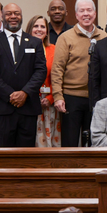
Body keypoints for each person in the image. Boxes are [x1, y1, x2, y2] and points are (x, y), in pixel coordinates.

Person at [0, 2, 46, 147]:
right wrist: (10, 95)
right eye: (9, 13)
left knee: (26, 156)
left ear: (21, 16)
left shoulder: (35, 43)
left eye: (16, 13)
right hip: (2, 108)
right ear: (2, 17)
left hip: (28, 107)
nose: (13, 16)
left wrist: (25, 93)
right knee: (3, 157)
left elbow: (41, 70)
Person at [51, 0, 107, 146]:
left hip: (97, 98)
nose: (86, 14)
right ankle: (70, 169)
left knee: (94, 141)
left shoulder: (104, 37)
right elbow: (57, 69)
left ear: (95, 13)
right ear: (76, 15)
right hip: (71, 97)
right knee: (70, 142)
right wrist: (58, 96)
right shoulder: (65, 38)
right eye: (82, 11)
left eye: (89, 10)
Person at [27, 14, 61, 147]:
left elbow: (59, 75)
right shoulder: (23, 49)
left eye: (43, 26)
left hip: (50, 102)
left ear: (47, 31)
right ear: (30, 29)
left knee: (51, 139)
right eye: (36, 26)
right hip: (30, 101)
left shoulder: (54, 49)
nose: (39, 29)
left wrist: (51, 97)